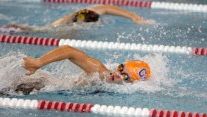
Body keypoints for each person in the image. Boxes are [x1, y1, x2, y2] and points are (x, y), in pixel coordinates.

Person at [22, 45, 151, 85]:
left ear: (131, 83)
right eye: (120, 68)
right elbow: (69, 50)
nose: (117, 73)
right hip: (40, 84)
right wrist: (39, 62)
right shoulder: (101, 73)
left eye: (124, 76)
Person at [0, 5, 153, 33]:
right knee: (29, 30)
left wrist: (135, 17)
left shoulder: (85, 13)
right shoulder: (66, 26)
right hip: (48, 29)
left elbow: (107, 7)